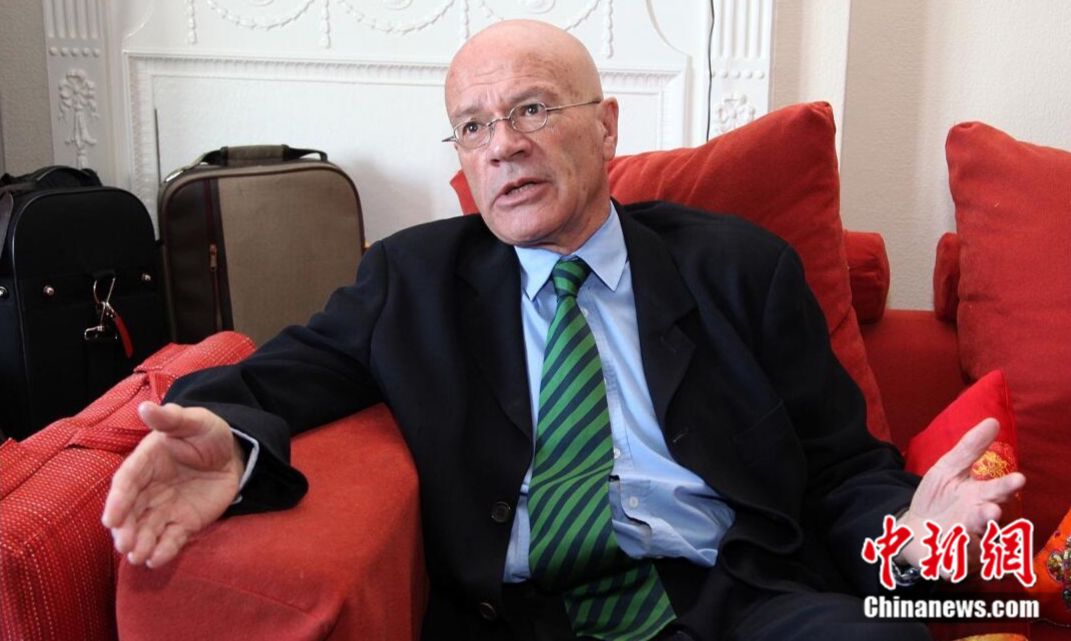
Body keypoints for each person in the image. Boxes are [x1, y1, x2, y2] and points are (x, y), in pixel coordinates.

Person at [103, 19, 1024, 641]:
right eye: (472, 127)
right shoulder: (413, 282)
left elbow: (841, 468)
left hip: (740, 599)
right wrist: (226, 440)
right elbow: (267, 378)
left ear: (605, 128)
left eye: (532, 109)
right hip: (522, 615)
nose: (502, 144)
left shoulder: (739, 267)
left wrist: (911, 542)